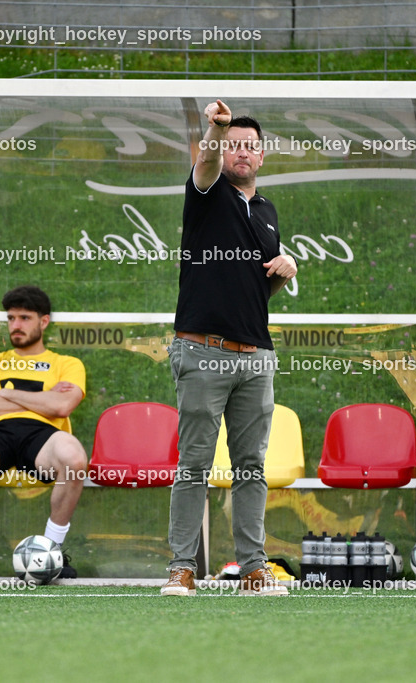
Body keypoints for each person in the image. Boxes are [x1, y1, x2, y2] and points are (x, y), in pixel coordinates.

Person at [162, 99, 298, 596]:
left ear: (262, 157)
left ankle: (253, 569)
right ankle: (181, 568)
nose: (241, 152)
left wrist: (284, 271)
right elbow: (207, 163)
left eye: (249, 146)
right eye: (233, 144)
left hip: (256, 357)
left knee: (251, 468)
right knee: (194, 464)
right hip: (202, 351)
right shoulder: (206, 191)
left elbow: (253, 290)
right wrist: (215, 130)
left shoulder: (266, 211)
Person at [0, 286, 87, 578]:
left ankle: (51, 552)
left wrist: (7, 393)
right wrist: (44, 396)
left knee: (75, 461)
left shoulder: (68, 364)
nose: (16, 325)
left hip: (44, 434)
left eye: (24, 317)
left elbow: (62, 407)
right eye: (10, 318)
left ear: (43, 321)